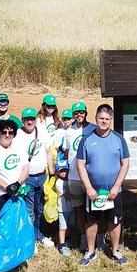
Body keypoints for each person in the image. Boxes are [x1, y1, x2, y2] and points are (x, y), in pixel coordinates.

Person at [75, 104, 131, 266]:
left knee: (114, 221)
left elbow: (125, 164)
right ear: (96, 118)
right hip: (93, 192)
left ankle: (115, 251)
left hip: (114, 191)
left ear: (111, 120)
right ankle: (91, 251)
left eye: (107, 119)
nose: (104, 121)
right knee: (91, 221)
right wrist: (89, 188)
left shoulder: (119, 139)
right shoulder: (86, 139)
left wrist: (116, 187)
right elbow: (80, 165)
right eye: (101, 118)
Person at [0, 119, 29, 256]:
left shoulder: (19, 148)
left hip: (18, 192)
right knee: (2, 226)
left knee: (15, 223)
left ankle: (16, 253)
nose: (7, 135)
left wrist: (18, 184)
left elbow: (25, 169)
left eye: (11, 132)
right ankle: (2, 254)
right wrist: (8, 187)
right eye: (4, 132)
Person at [15, 107, 54, 247]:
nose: (30, 122)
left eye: (32, 119)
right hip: (27, 178)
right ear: (22, 120)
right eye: (27, 119)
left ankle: (39, 234)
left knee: (40, 208)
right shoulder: (17, 134)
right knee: (29, 210)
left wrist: (52, 173)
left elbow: (48, 152)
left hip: (42, 176)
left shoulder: (41, 132)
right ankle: (30, 238)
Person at [61, 102, 91, 251]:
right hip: (73, 176)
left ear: (86, 112)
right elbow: (67, 153)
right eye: (76, 113)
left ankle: (97, 237)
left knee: (93, 209)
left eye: (81, 112)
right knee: (79, 208)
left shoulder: (93, 129)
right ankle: (84, 238)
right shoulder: (69, 131)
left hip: (90, 176)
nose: (79, 115)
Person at [53, 161, 75, 257]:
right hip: (63, 208)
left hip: (71, 207)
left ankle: (67, 239)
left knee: (69, 225)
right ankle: (62, 245)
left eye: (65, 170)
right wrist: (77, 197)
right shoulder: (58, 182)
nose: (64, 173)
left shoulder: (69, 179)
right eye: (61, 171)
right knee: (63, 227)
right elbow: (66, 194)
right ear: (57, 172)